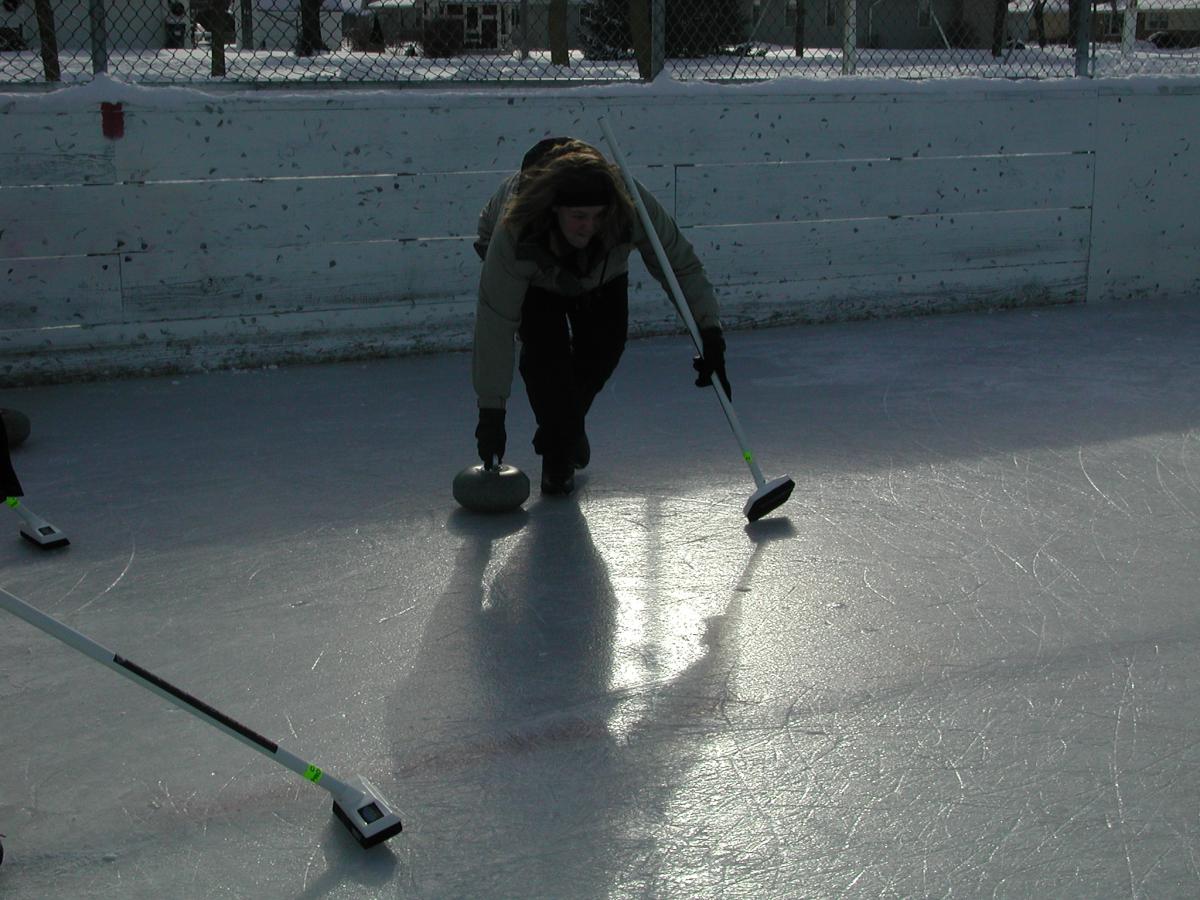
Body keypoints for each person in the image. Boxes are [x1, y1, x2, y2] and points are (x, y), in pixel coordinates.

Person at [471, 137, 731, 496]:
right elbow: (495, 322)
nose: (588, 226)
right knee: (547, 360)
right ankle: (559, 452)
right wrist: (491, 413)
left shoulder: (628, 208)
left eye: (597, 216)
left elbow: (679, 264)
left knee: (603, 347)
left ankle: (563, 428)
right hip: (536, 274)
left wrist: (710, 331)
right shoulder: (517, 230)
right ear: (555, 209)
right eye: (578, 216)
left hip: (601, 274)